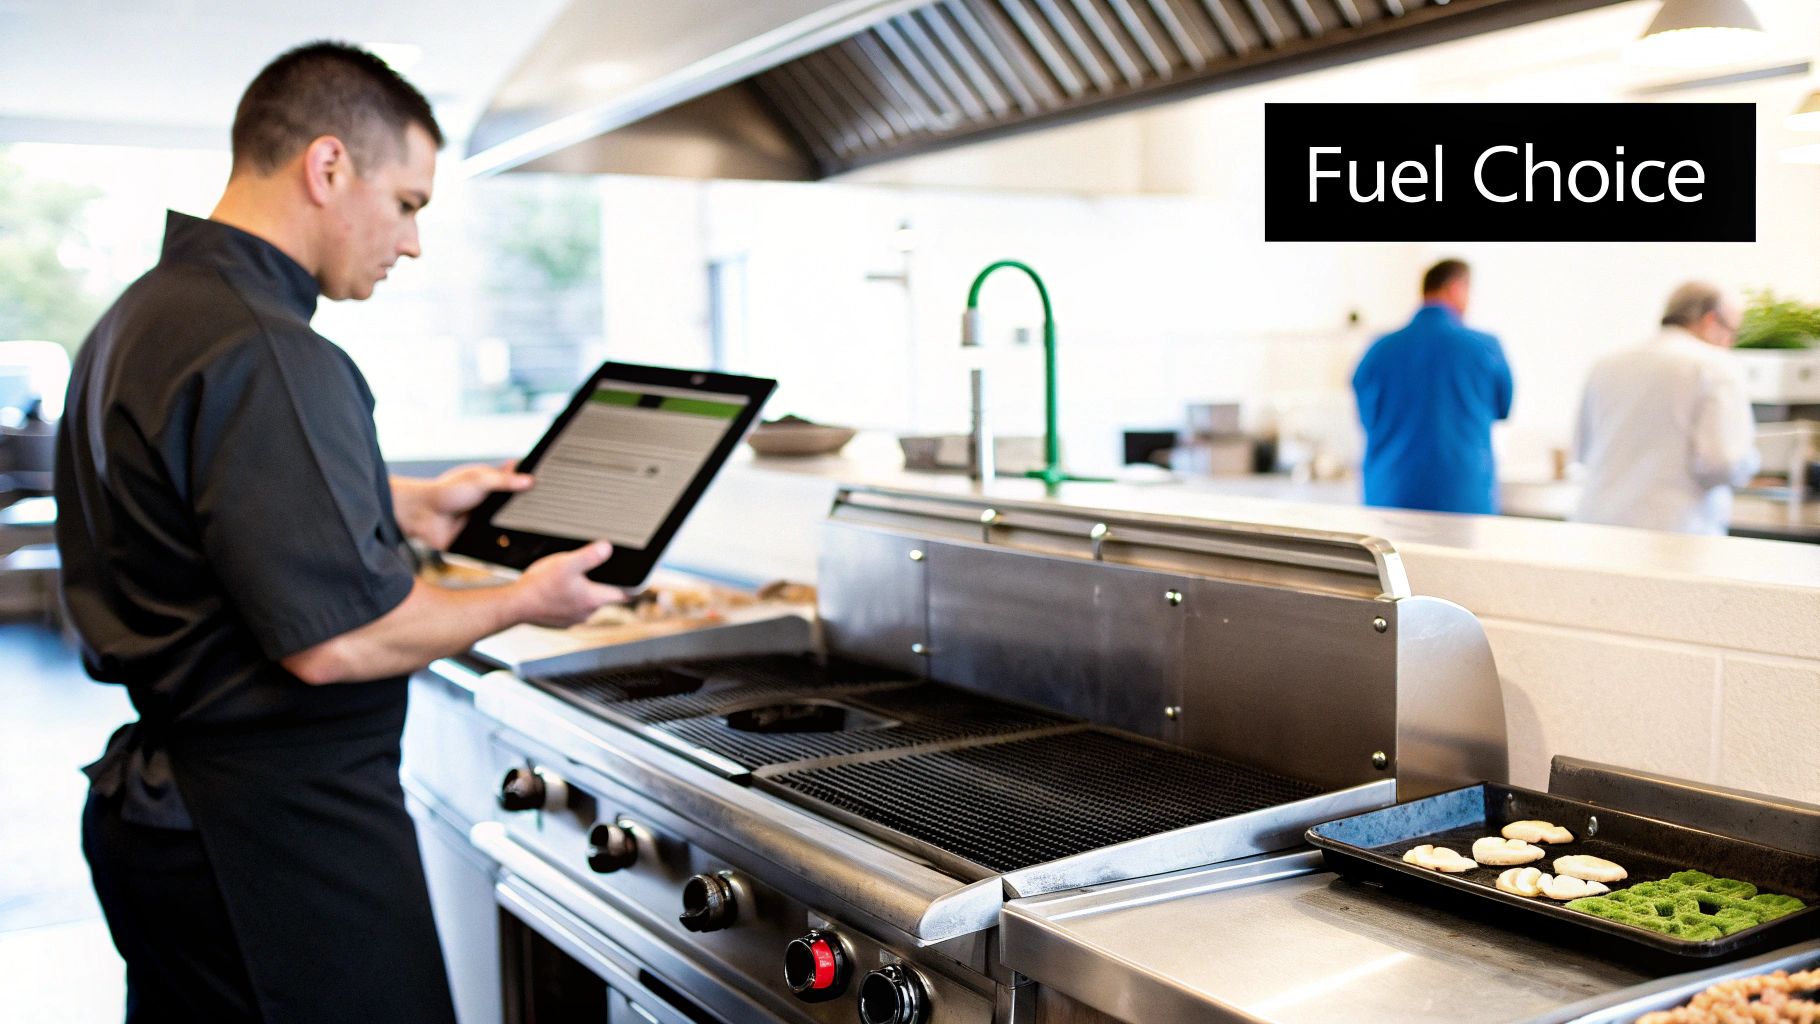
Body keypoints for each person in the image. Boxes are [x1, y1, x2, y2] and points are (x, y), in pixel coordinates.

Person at [54, 43, 622, 1024]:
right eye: (407, 203)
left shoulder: (145, 317)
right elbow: (337, 639)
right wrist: (530, 598)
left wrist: (407, 502)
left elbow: (200, 501)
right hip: (273, 837)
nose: (409, 243)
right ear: (328, 167)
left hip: (172, 818)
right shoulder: (269, 349)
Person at [1570, 282, 1760, 535]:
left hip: (1597, 525)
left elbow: (1583, 452)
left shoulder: (1607, 363)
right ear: (1711, 320)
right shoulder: (1715, 365)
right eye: (1732, 331)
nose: (1730, 341)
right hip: (1673, 532)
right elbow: (1723, 463)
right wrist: (1753, 463)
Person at [1352, 259, 1514, 514]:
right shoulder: (1485, 348)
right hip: (1462, 501)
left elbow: (1366, 418)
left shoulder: (1378, 350)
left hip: (1389, 499)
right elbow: (1503, 408)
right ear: (1456, 287)